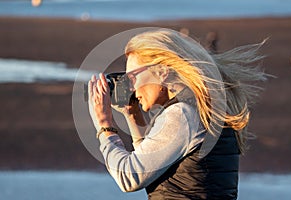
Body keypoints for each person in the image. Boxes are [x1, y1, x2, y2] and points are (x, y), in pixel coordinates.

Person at [88, 29, 267, 199]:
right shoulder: (203, 107)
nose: (131, 87)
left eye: (133, 77)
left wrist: (104, 125)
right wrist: (133, 116)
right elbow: (152, 164)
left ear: (163, 72)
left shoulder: (182, 115)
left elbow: (129, 177)